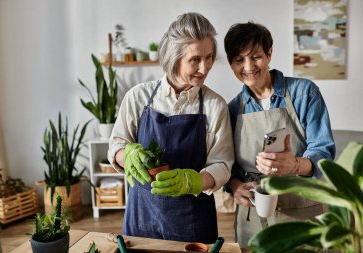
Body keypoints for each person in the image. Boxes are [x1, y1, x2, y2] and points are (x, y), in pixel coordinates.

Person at [108, 12, 234, 244]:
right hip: (142, 217)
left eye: (209, 58)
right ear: (174, 57)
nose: (205, 67)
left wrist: (194, 180)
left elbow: (223, 164)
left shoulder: (215, 106)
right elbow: (117, 144)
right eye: (195, 59)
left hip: (193, 221)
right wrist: (126, 154)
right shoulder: (138, 97)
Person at [223, 22, 335, 249]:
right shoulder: (233, 109)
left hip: (304, 211)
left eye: (255, 57)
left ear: (269, 53)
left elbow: (323, 153)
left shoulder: (304, 92)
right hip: (253, 216)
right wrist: (235, 187)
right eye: (238, 60)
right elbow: (229, 167)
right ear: (230, 64)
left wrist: (294, 164)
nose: (248, 67)